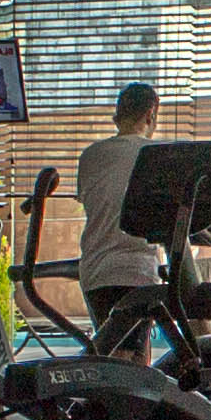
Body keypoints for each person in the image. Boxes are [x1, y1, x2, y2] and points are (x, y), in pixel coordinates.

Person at [68, 82, 167, 350]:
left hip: (95, 272)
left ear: (118, 115)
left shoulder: (90, 155)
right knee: (129, 358)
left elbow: (99, 202)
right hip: (136, 271)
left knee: (114, 351)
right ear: (150, 114)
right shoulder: (159, 155)